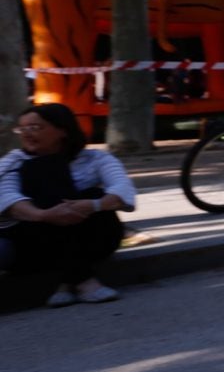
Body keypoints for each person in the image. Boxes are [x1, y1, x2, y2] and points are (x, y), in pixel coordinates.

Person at [0, 103, 136, 307]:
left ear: (62, 130)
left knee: (94, 194)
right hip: (34, 243)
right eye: (22, 129)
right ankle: (83, 281)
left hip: (94, 239)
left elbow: (122, 190)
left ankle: (66, 282)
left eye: (35, 128)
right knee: (42, 173)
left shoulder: (96, 158)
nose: (26, 134)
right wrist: (44, 215)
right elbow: (7, 197)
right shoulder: (15, 161)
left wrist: (92, 205)